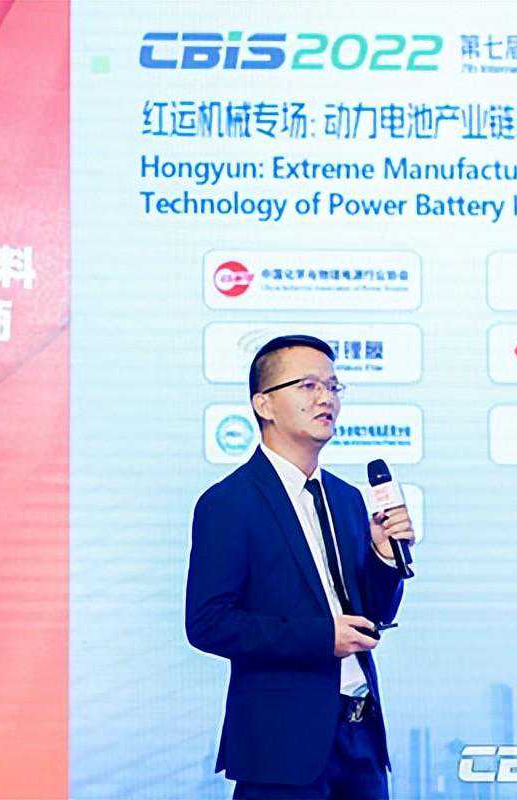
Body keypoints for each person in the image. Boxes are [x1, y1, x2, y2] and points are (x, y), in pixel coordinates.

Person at [186, 334, 416, 799]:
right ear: (264, 404)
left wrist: (383, 558)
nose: (326, 398)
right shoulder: (229, 502)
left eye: (332, 386)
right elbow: (208, 624)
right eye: (308, 386)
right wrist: (320, 637)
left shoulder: (348, 499)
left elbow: (372, 616)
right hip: (281, 747)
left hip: (361, 738)